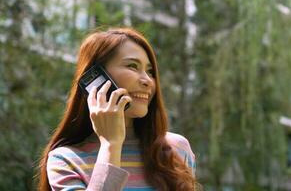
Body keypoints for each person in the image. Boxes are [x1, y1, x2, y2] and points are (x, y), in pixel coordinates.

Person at [37, 27, 197, 191]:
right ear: (97, 78)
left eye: (150, 71)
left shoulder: (176, 149)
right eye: (132, 66)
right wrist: (110, 145)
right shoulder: (66, 160)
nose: (147, 80)